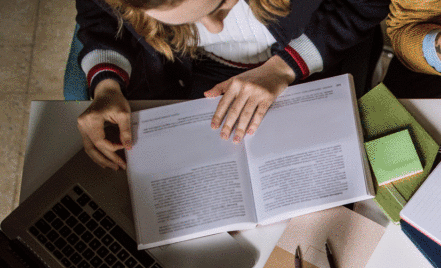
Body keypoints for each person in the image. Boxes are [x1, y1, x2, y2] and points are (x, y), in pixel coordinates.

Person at [75, 0, 388, 169]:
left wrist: (285, 67)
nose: (215, 26)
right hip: (185, 71)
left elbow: (366, 5)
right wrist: (107, 86)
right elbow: (99, 18)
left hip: (308, 59)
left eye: (221, 4)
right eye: (184, 20)